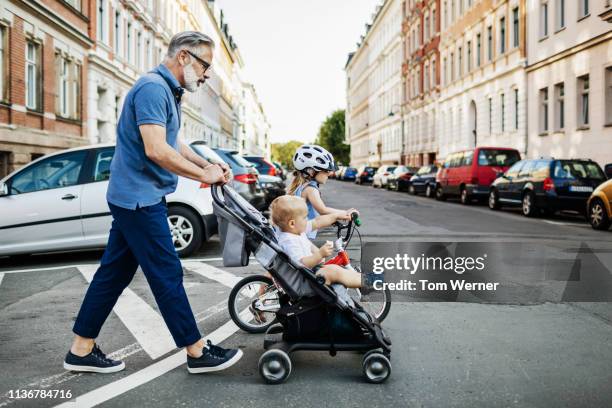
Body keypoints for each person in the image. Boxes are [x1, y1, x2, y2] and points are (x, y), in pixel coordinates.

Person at [64, 31, 243, 375]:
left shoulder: (167, 91)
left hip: (137, 197)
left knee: (113, 275)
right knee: (166, 273)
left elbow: (173, 140)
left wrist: (207, 164)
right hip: (139, 201)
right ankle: (196, 350)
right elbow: (156, 150)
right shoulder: (152, 88)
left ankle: (80, 349)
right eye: (205, 66)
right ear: (184, 58)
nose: (207, 75)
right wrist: (201, 176)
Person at [270, 195, 362, 288]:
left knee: (334, 270)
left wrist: (337, 216)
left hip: (308, 275)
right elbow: (302, 264)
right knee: (334, 271)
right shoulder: (289, 241)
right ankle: (368, 281)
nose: (307, 220)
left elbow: (317, 222)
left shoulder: (296, 231)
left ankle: (364, 278)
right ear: (292, 223)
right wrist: (320, 254)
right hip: (303, 282)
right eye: (304, 217)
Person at [287, 145, 357, 239]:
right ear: (311, 171)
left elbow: (312, 212)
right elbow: (323, 210)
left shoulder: (300, 186)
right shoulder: (310, 189)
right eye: (326, 170)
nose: (329, 173)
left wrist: (331, 219)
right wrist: (346, 213)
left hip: (295, 234)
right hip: (299, 238)